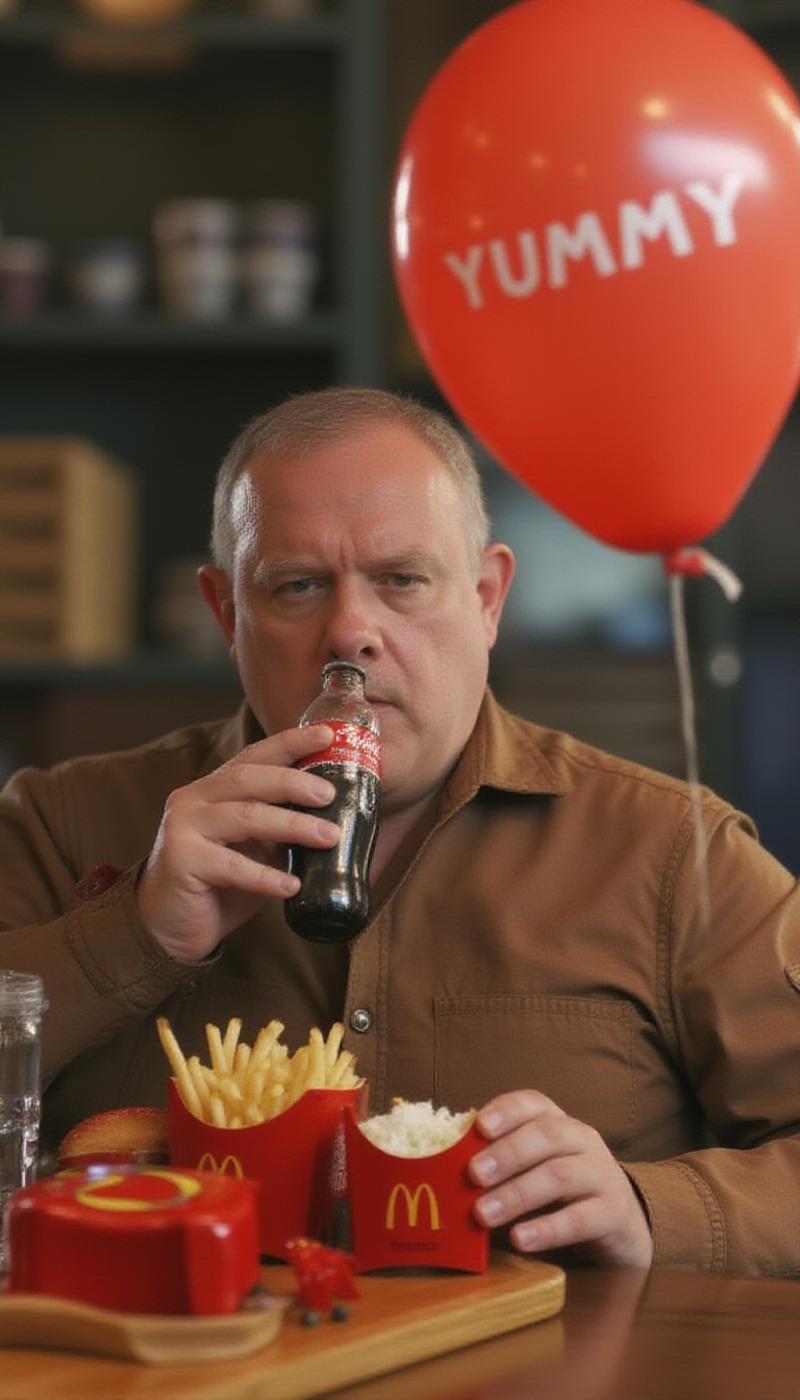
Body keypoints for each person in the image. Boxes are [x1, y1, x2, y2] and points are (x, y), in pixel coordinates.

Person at [1, 386, 799, 1277]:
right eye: (297, 586)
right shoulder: (60, 825)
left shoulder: (673, 854)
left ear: (488, 598)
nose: (351, 631)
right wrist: (134, 934)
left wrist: (654, 1211)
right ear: (228, 616)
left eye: (402, 581)